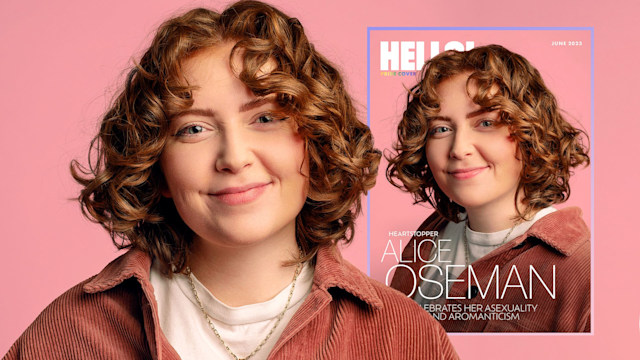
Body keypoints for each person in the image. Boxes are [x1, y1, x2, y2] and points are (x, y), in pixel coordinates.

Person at [5, 1, 458, 359]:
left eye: (264, 117)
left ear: (314, 144)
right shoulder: (70, 336)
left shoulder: (405, 338)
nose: (234, 158)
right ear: (156, 165)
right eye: (193, 129)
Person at [386, 44, 590, 332]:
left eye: (485, 123)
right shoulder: (430, 237)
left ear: (530, 133)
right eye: (441, 129)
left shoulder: (580, 269)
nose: (458, 149)